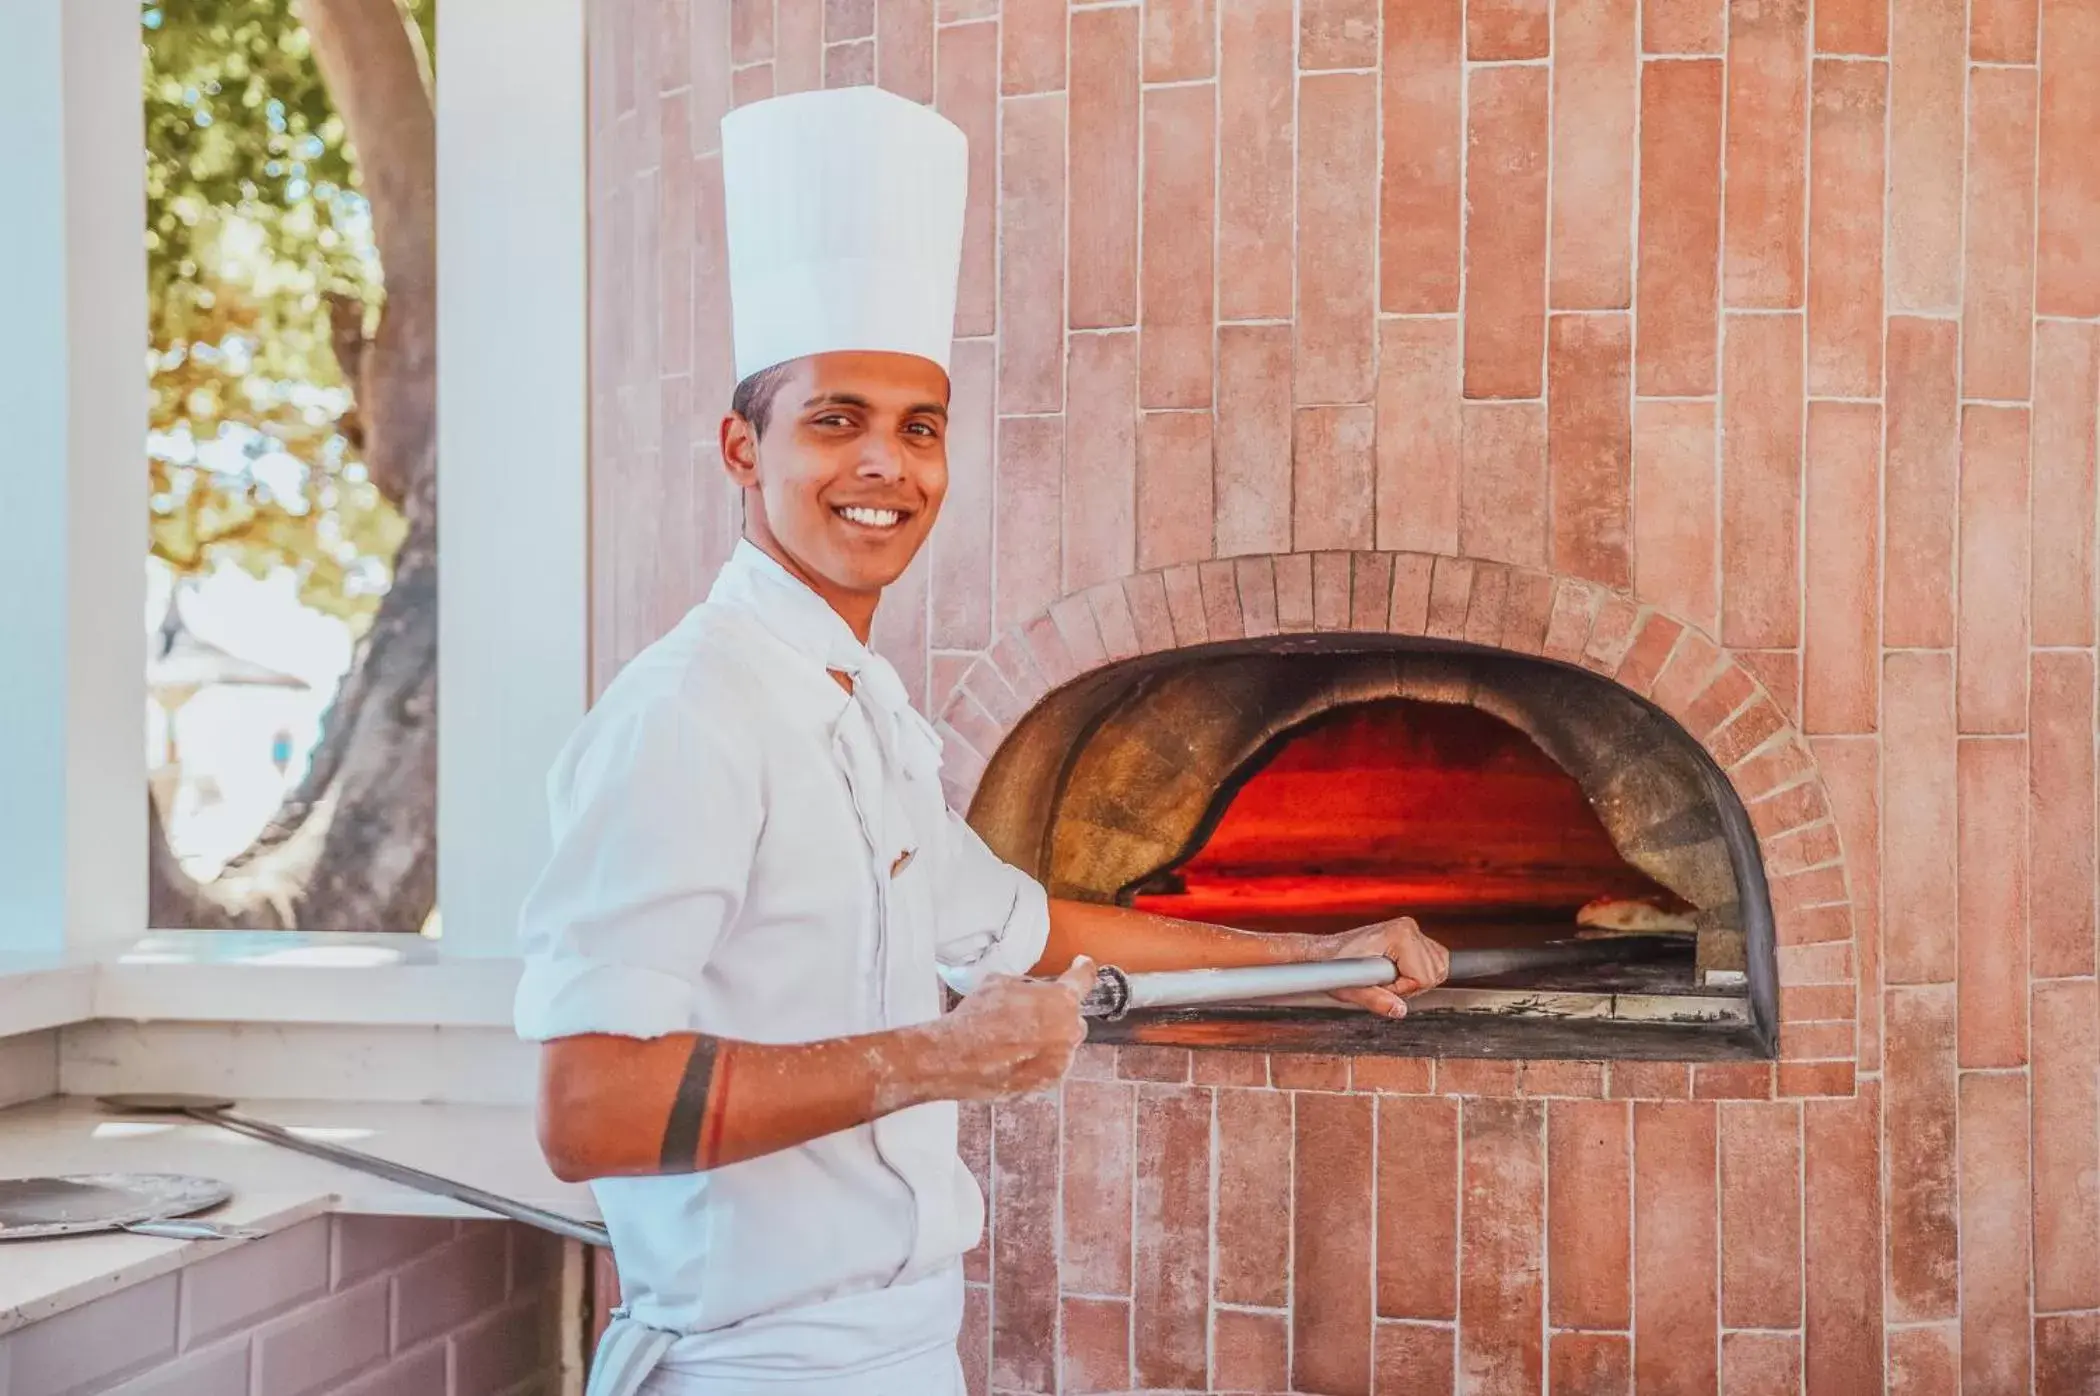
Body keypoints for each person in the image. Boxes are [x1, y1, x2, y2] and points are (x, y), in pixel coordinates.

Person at [513, 85, 1450, 1396]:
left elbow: (1032, 929)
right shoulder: (689, 717)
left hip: (903, 1353)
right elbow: (586, 1108)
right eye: (835, 420)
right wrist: (933, 1060)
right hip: (753, 1366)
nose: (885, 464)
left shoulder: (858, 710)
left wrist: (1309, 959)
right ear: (742, 448)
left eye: (920, 427)